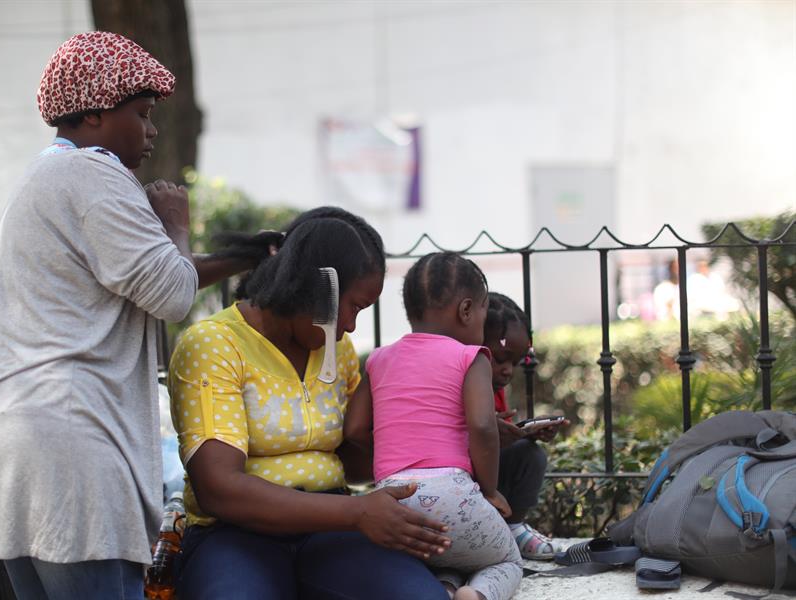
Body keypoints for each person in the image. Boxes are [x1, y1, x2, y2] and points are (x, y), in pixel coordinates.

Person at [0, 32, 249, 600]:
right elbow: (172, 293)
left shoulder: (46, 175)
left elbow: (146, 277)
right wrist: (175, 222)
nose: (153, 131)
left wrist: (241, 257)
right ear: (92, 112)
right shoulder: (96, 175)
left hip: (3, 433)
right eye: (142, 113)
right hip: (63, 441)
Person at [168, 207, 452, 600]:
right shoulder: (215, 344)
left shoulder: (338, 348)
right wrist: (357, 513)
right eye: (353, 306)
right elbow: (220, 489)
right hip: (235, 535)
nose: (352, 325)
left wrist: (456, 437)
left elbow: (352, 463)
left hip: (332, 530)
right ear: (318, 289)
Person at [345, 252, 523, 600]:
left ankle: (444, 587)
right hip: (453, 494)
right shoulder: (470, 357)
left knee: (446, 554)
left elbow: (353, 429)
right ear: (467, 310)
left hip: (392, 503)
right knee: (506, 561)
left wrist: (394, 445)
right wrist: (489, 490)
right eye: (485, 311)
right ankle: (478, 596)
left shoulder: (379, 358)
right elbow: (483, 426)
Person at [484, 292, 567, 560]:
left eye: (515, 363)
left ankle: (513, 528)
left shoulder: (494, 387)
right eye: (500, 358)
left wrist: (524, 433)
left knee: (530, 455)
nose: (508, 370)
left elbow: (501, 439)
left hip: (490, 475)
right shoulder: (464, 378)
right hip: (463, 480)